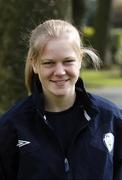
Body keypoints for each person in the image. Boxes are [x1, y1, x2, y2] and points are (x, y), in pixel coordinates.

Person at [0, 19, 122, 180]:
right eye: (49, 63)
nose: (60, 71)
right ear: (34, 64)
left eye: (68, 61)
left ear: (80, 60)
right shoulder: (11, 126)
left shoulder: (111, 118)